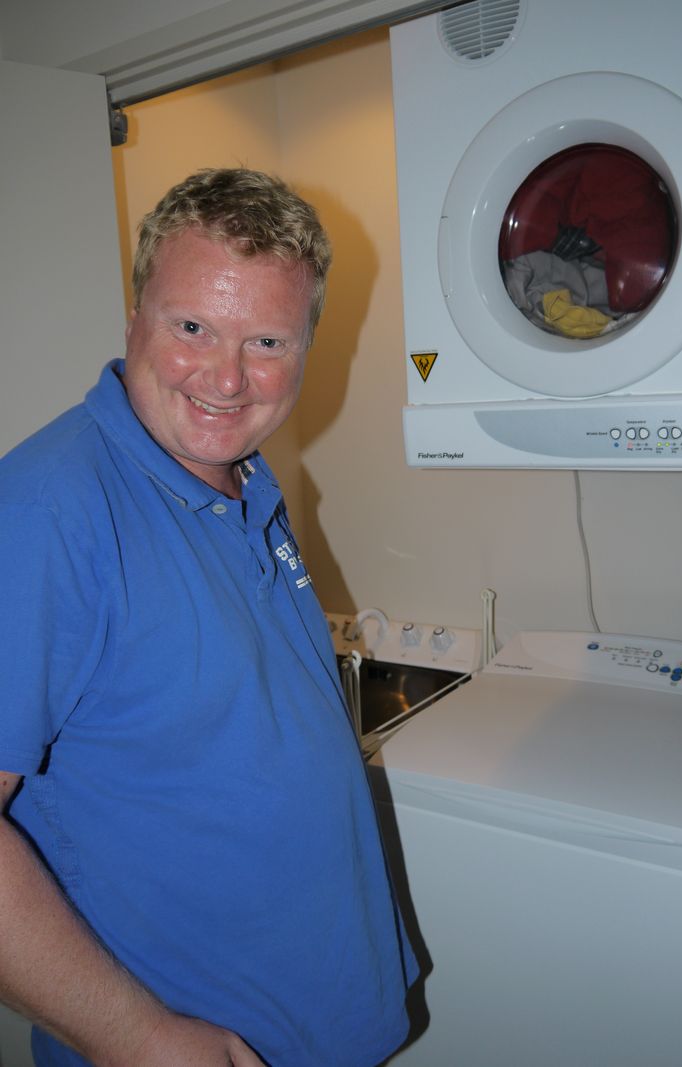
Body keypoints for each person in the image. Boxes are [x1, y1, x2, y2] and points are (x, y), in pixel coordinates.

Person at [0, 168, 417, 1067]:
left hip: (321, 1025)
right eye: (193, 326)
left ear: (307, 346)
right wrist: (139, 1038)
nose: (227, 378)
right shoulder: (46, 510)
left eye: (267, 339)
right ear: (135, 318)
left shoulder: (241, 480)